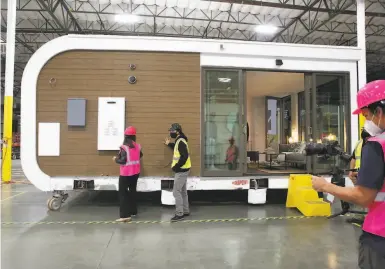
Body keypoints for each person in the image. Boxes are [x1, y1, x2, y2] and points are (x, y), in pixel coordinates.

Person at [312, 80, 385, 269]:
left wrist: (325, 186)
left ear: (378, 112)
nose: (366, 121)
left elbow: (363, 197)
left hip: (380, 235)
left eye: (366, 115)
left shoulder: (377, 145)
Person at [113, 126, 143, 222]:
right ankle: (133, 211)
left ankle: (125, 215)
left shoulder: (124, 147)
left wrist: (115, 159)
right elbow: (140, 155)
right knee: (132, 191)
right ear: (134, 136)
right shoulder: (138, 146)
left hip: (125, 174)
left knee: (123, 194)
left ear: (125, 136)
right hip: (135, 173)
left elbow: (122, 161)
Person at [164, 123, 191, 222]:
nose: (171, 133)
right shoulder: (180, 140)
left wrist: (176, 166)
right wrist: (169, 144)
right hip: (185, 169)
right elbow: (177, 148)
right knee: (183, 191)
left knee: (176, 192)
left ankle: (180, 214)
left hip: (181, 170)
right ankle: (185, 210)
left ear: (178, 131)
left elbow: (184, 156)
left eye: (172, 131)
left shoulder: (181, 141)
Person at [346, 128, 371, 224]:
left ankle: (368, 217)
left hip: (368, 174)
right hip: (357, 174)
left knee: (369, 196)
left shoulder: (375, 145)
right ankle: (359, 216)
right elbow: (353, 158)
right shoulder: (359, 144)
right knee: (358, 195)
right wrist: (351, 171)